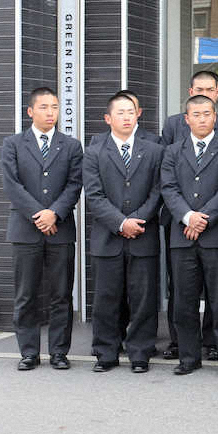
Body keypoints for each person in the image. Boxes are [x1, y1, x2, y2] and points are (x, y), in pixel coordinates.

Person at [160, 70, 218, 362]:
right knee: (184, 300)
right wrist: (186, 217)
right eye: (197, 114)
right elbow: (168, 187)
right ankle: (188, 357)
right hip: (182, 236)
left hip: (216, 235)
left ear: (214, 117)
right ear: (187, 119)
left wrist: (202, 217)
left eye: (207, 114)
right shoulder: (171, 151)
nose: (202, 119)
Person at [2, 87, 83, 371]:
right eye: (45, 107)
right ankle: (29, 352)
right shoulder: (13, 144)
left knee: (61, 294)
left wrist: (55, 214)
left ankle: (59, 352)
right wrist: (39, 215)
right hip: (25, 230)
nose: (51, 113)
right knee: (26, 294)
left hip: (60, 230)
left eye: (55, 107)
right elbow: (12, 186)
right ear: (30, 111)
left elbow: (74, 184)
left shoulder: (71, 146)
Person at [83, 93, 164, 373]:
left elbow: (158, 191)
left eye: (131, 112)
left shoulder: (153, 150)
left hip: (144, 235)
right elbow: (94, 196)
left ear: (138, 114)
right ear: (108, 119)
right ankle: (105, 352)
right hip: (108, 238)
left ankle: (140, 352)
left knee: (143, 298)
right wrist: (120, 222)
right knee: (106, 297)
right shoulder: (94, 152)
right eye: (120, 113)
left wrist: (138, 219)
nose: (127, 117)